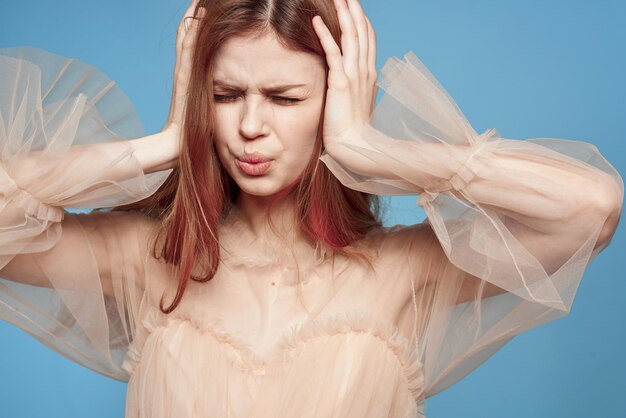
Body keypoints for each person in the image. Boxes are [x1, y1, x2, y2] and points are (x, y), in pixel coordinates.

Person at [0, 0, 623, 416]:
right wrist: (161, 145)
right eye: (225, 94)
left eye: (284, 97)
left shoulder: (406, 272)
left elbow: (592, 206)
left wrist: (371, 149)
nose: (249, 125)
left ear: (336, 99)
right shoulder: (147, 260)